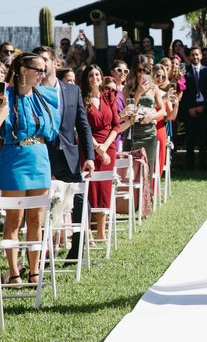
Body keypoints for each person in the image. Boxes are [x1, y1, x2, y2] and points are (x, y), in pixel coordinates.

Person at [0, 53, 60, 285]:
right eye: (38, 70)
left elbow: (53, 130)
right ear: (23, 70)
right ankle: (14, 273)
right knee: (14, 219)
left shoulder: (44, 95)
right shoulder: (5, 95)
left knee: (36, 219)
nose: (42, 75)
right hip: (14, 158)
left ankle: (34, 271)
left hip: (39, 158)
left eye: (44, 70)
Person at [35, 46, 95, 263]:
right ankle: (41, 253)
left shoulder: (72, 91)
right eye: (37, 61)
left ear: (54, 63)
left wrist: (89, 156)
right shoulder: (32, 91)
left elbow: (83, 125)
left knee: (80, 201)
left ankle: (77, 249)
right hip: (42, 156)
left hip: (70, 156)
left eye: (44, 60)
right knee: (41, 205)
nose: (41, 65)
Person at [79, 65, 122, 241]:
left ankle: (101, 231)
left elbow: (116, 125)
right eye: (90, 75)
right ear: (86, 78)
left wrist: (105, 147)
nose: (94, 77)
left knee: (104, 186)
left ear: (102, 76)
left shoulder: (108, 96)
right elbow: (83, 126)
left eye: (97, 74)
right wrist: (97, 147)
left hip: (108, 145)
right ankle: (88, 229)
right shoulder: (81, 98)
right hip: (88, 145)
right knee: (89, 186)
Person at [122, 56, 167, 178]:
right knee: (130, 172)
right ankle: (131, 196)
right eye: (139, 70)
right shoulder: (127, 88)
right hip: (133, 131)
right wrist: (138, 93)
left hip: (149, 133)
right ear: (134, 71)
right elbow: (129, 110)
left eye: (146, 71)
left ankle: (147, 197)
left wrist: (152, 116)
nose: (142, 74)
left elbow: (163, 111)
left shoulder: (154, 87)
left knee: (147, 170)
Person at [183, 47, 207, 170]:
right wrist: (190, 108)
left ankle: (202, 165)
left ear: (200, 56)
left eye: (197, 54)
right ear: (190, 56)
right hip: (190, 109)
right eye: (192, 55)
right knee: (190, 138)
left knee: (203, 138)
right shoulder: (185, 71)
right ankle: (189, 165)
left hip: (203, 108)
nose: (195, 57)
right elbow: (183, 93)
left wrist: (203, 106)